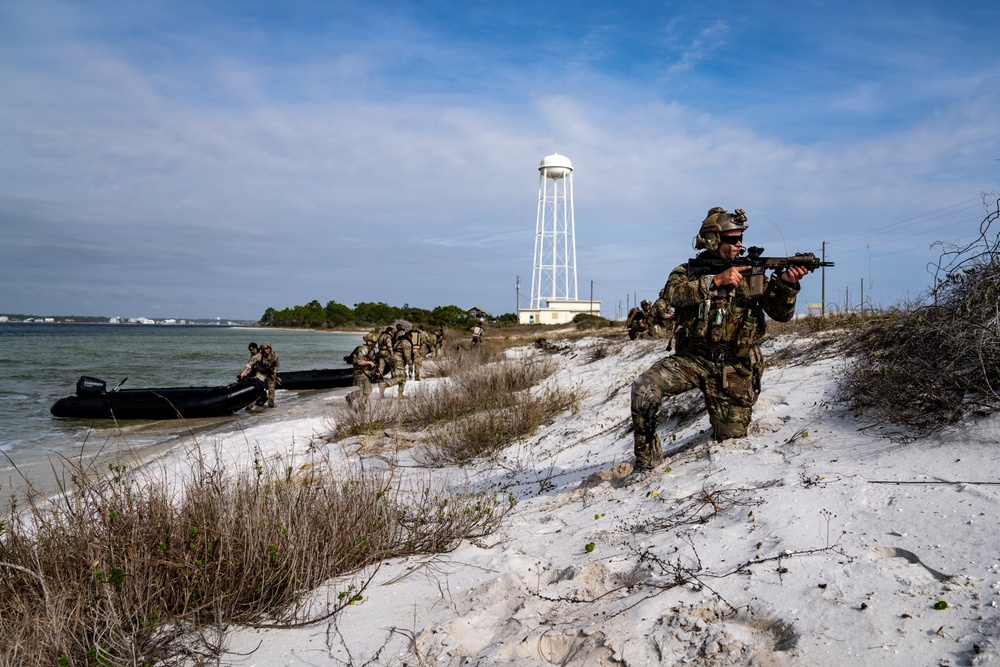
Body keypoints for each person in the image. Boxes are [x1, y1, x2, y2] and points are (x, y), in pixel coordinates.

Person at [630, 207, 807, 472]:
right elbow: (673, 295)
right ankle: (647, 463)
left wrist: (787, 286)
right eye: (732, 239)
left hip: (733, 367)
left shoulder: (752, 273)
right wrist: (715, 281)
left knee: (731, 441)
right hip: (692, 360)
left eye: (740, 239)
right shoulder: (687, 271)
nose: (739, 245)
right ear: (712, 240)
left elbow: (781, 315)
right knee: (644, 388)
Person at [240, 342, 280, 408]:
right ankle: (251, 404)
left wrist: (274, 371)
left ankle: (271, 403)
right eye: (266, 349)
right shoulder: (258, 356)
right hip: (261, 373)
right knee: (259, 386)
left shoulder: (274, 356)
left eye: (269, 348)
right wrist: (244, 372)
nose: (268, 350)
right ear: (263, 349)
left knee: (271, 387)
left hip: (270, 373)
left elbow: (276, 365)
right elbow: (250, 364)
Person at [347, 333, 378, 409]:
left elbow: (373, 361)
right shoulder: (363, 349)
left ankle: (353, 398)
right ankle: (361, 406)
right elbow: (359, 362)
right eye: (374, 342)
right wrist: (369, 362)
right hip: (359, 373)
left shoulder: (371, 351)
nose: (375, 344)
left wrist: (376, 371)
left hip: (366, 373)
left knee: (368, 390)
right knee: (361, 391)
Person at [380, 329, 413, 399]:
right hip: (398, 360)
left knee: (403, 377)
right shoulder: (406, 343)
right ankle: (384, 385)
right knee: (400, 377)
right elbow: (407, 355)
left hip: (394, 358)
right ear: (410, 337)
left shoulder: (399, 341)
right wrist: (410, 364)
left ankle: (400, 394)